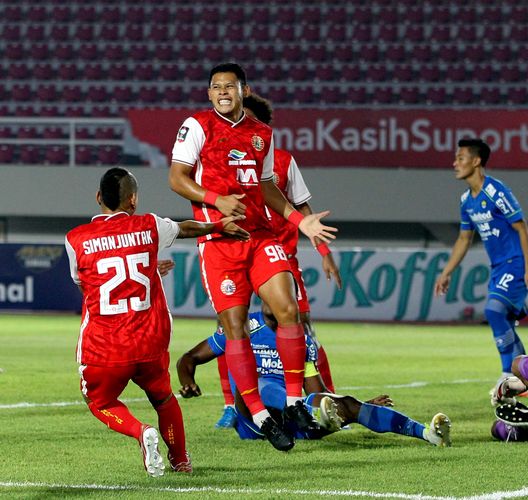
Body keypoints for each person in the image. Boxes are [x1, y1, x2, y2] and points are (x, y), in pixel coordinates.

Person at [168, 62, 337, 451]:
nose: (222, 92)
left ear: (243, 90)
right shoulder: (195, 126)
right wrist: (215, 200)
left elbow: (268, 189)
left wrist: (301, 221)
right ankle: (259, 415)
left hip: (260, 236)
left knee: (288, 310)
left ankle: (294, 401)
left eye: (229, 86)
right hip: (220, 240)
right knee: (236, 328)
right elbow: (177, 178)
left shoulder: (262, 134)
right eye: (215, 87)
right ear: (209, 94)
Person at [64, 167, 249, 476]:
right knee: (163, 398)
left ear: (98, 197)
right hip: (149, 340)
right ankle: (180, 460)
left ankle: (140, 431)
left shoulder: (75, 239)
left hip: (105, 346)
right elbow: (185, 228)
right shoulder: (149, 225)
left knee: (100, 401)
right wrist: (218, 226)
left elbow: (86, 284)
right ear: (133, 200)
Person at [213, 93, 342, 430]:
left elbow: (302, 207)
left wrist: (324, 253)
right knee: (229, 329)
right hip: (237, 252)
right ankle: (232, 405)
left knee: (303, 331)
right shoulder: (223, 159)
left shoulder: (283, 161)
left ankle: (328, 399)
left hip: (278, 255)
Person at [176, 306, 452, 447]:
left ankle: (426, 433)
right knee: (260, 385)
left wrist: (348, 406)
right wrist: (187, 380)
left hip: (292, 419)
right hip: (253, 418)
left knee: (346, 403)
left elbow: (316, 391)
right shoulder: (246, 326)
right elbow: (188, 358)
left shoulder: (302, 340)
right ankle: (308, 413)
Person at [434, 138, 528, 384]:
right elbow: (464, 239)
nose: (455, 163)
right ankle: (526, 378)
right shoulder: (466, 201)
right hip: (499, 267)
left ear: (476, 161)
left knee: (493, 311)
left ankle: (507, 374)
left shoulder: (496, 191)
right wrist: (446, 272)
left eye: (460, 158)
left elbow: (522, 228)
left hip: (517, 262)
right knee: (503, 319)